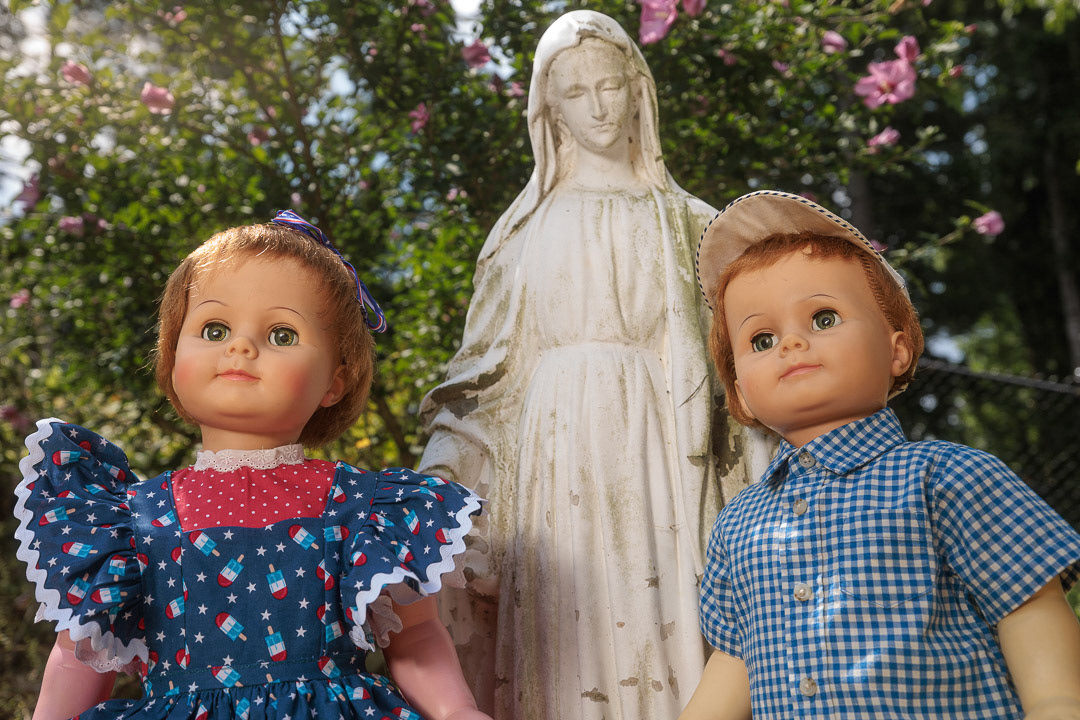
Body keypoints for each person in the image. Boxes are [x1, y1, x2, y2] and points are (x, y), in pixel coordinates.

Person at [417, 10, 770, 720]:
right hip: (553, 449)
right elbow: (481, 377)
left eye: (610, 86)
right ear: (550, 109)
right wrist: (446, 476)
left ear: (638, 90)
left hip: (659, 445)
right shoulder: (522, 232)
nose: (600, 107)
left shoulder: (693, 223)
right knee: (563, 624)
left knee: (663, 610)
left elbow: (736, 368)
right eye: (577, 93)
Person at [14, 211, 491, 720]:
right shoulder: (127, 520)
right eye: (214, 329)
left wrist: (455, 711)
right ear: (172, 355)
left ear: (335, 382)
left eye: (282, 335)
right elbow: (77, 655)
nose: (240, 346)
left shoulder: (367, 507)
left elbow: (415, 635)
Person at [680, 189, 1080, 719]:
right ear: (740, 391)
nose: (790, 344)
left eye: (823, 318)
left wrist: (1057, 705)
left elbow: (1028, 607)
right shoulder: (737, 524)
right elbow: (735, 662)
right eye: (761, 340)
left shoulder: (947, 477)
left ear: (898, 350)